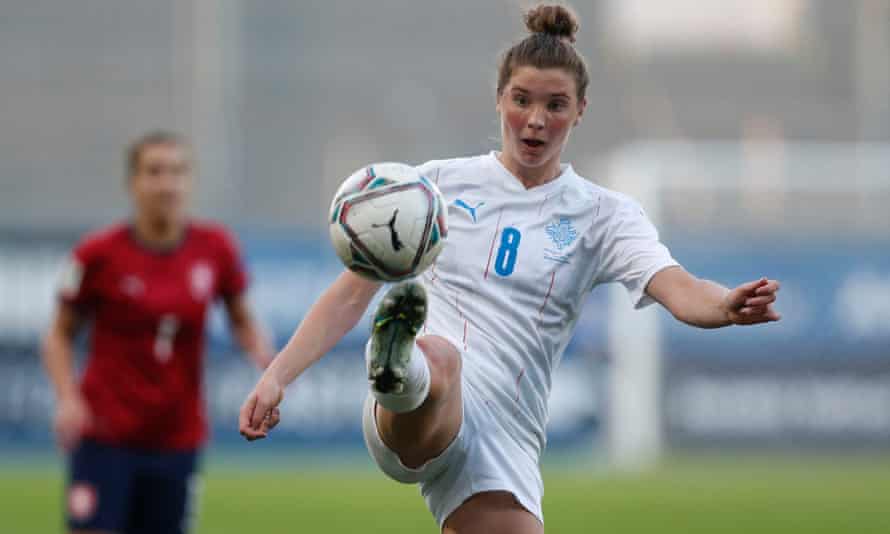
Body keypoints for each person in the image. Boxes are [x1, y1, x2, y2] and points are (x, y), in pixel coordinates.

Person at [239, 5, 781, 533]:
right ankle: (397, 367)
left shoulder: (603, 216)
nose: (536, 120)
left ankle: (404, 364)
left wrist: (726, 306)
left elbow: (679, 288)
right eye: (522, 100)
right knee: (441, 359)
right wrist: (276, 376)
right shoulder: (433, 190)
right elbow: (353, 293)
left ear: (581, 109)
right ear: (500, 99)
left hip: (504, 436)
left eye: (556, 104)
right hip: (417, 413)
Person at [42, 131, 276, 534]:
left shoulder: (215, 248)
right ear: (133, 182)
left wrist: (268, 365)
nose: (167, 183)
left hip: (177, 437)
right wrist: (67, 398)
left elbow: (242, 319)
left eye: (177, 172)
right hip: (104, 435)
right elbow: (59, 335)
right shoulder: (98, 254)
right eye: (154, 172)